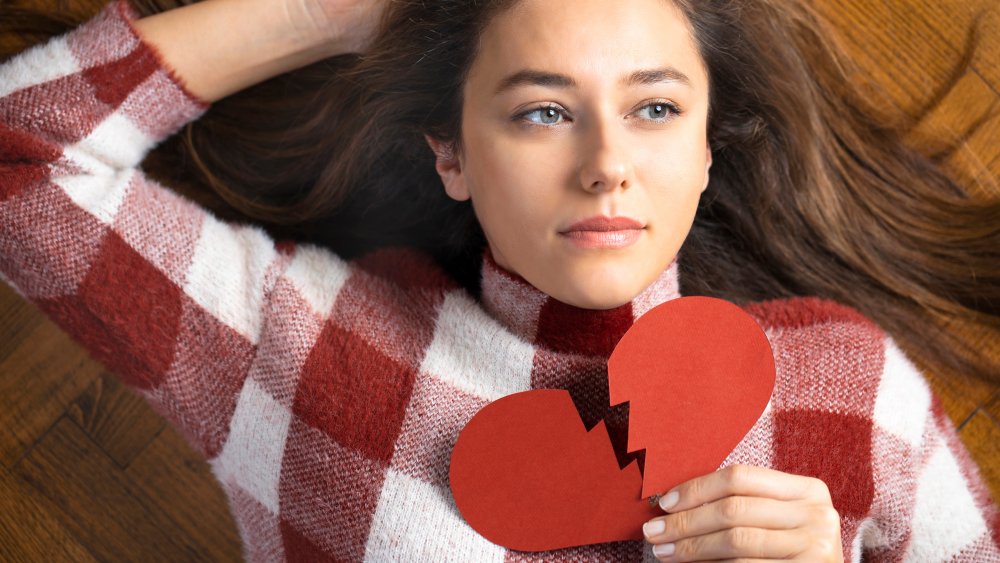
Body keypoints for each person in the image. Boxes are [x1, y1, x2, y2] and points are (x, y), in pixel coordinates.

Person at [1, 0, 998, 560]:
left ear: (705, 150)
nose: (605, 161)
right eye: (540, 112)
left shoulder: (849, 385)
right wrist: (328, 12)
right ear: (452, 154)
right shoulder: (303, 347)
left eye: (653, 110)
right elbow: (20, 158)